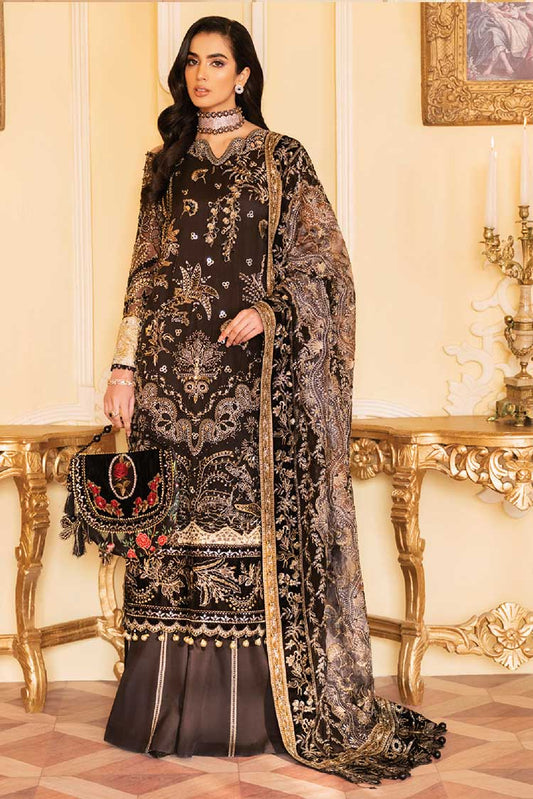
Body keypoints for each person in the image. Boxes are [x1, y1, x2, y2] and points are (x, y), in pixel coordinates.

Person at [102, 14, 447, 786]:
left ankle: (256, 711)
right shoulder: (165, 164)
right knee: (171, 538)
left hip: (253, 386)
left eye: (216, 63)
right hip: (167, 381)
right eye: (191, 63)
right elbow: (143, 273)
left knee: (244, 531)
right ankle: (162, 711)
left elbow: (326, 266)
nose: (200, 76)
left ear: (244, 75)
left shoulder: (282, 158)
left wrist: (273, 310)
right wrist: (123, 367)